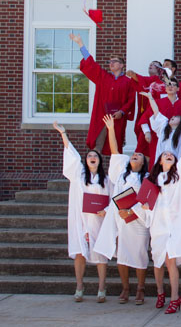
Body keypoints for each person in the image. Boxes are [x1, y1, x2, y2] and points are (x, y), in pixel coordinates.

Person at [139, 113, 181, 314]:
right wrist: (145, 209)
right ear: (159, 159)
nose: (169, 155)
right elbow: (144, 202)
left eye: (171, 155)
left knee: (170, 259)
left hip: (175, 224)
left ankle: (175, 297)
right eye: (165, 154)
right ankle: (160, 292)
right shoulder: (151, 179)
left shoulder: (179, 176)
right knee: (158, 260)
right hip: (158, 224)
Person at [94, 115, 150, 305]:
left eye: (140, 155)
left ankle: (140, 289)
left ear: (144, 162)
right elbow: (115, 151)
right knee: (123, 255)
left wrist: (132, 213)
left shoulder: (147, 179)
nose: (135, 155)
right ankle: (126, 288)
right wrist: (111, 129)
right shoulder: (121, 175)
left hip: (139, 220)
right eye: (134, 154)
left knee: (140, 254)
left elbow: (148, 203)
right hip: (121, 219)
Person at [54, 119, 110, 303]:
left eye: (95, 155)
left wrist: (107, 210)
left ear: (100, 160)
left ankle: (102, 288)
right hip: (80, 219)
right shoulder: (78, 174)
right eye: (89, 156)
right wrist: (64, 134)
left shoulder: (106, 180)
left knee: (100, 254)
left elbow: (112, 200)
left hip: (98, 220)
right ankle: (79, 286)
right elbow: (71, 155)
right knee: (80, 252)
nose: (92, 157)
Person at [71, 33, 135, 153]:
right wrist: (80, 44)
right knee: (98, 146)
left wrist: (122, 112)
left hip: (117, 118)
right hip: (102, 117)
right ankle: (95, 171)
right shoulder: (104, 77)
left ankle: (116, 172)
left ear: (121, 65)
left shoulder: (128, 82)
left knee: (115, 148)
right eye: (109, 61)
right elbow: (91, 64)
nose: (111, 63)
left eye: (114, 61)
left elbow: (131, 100)